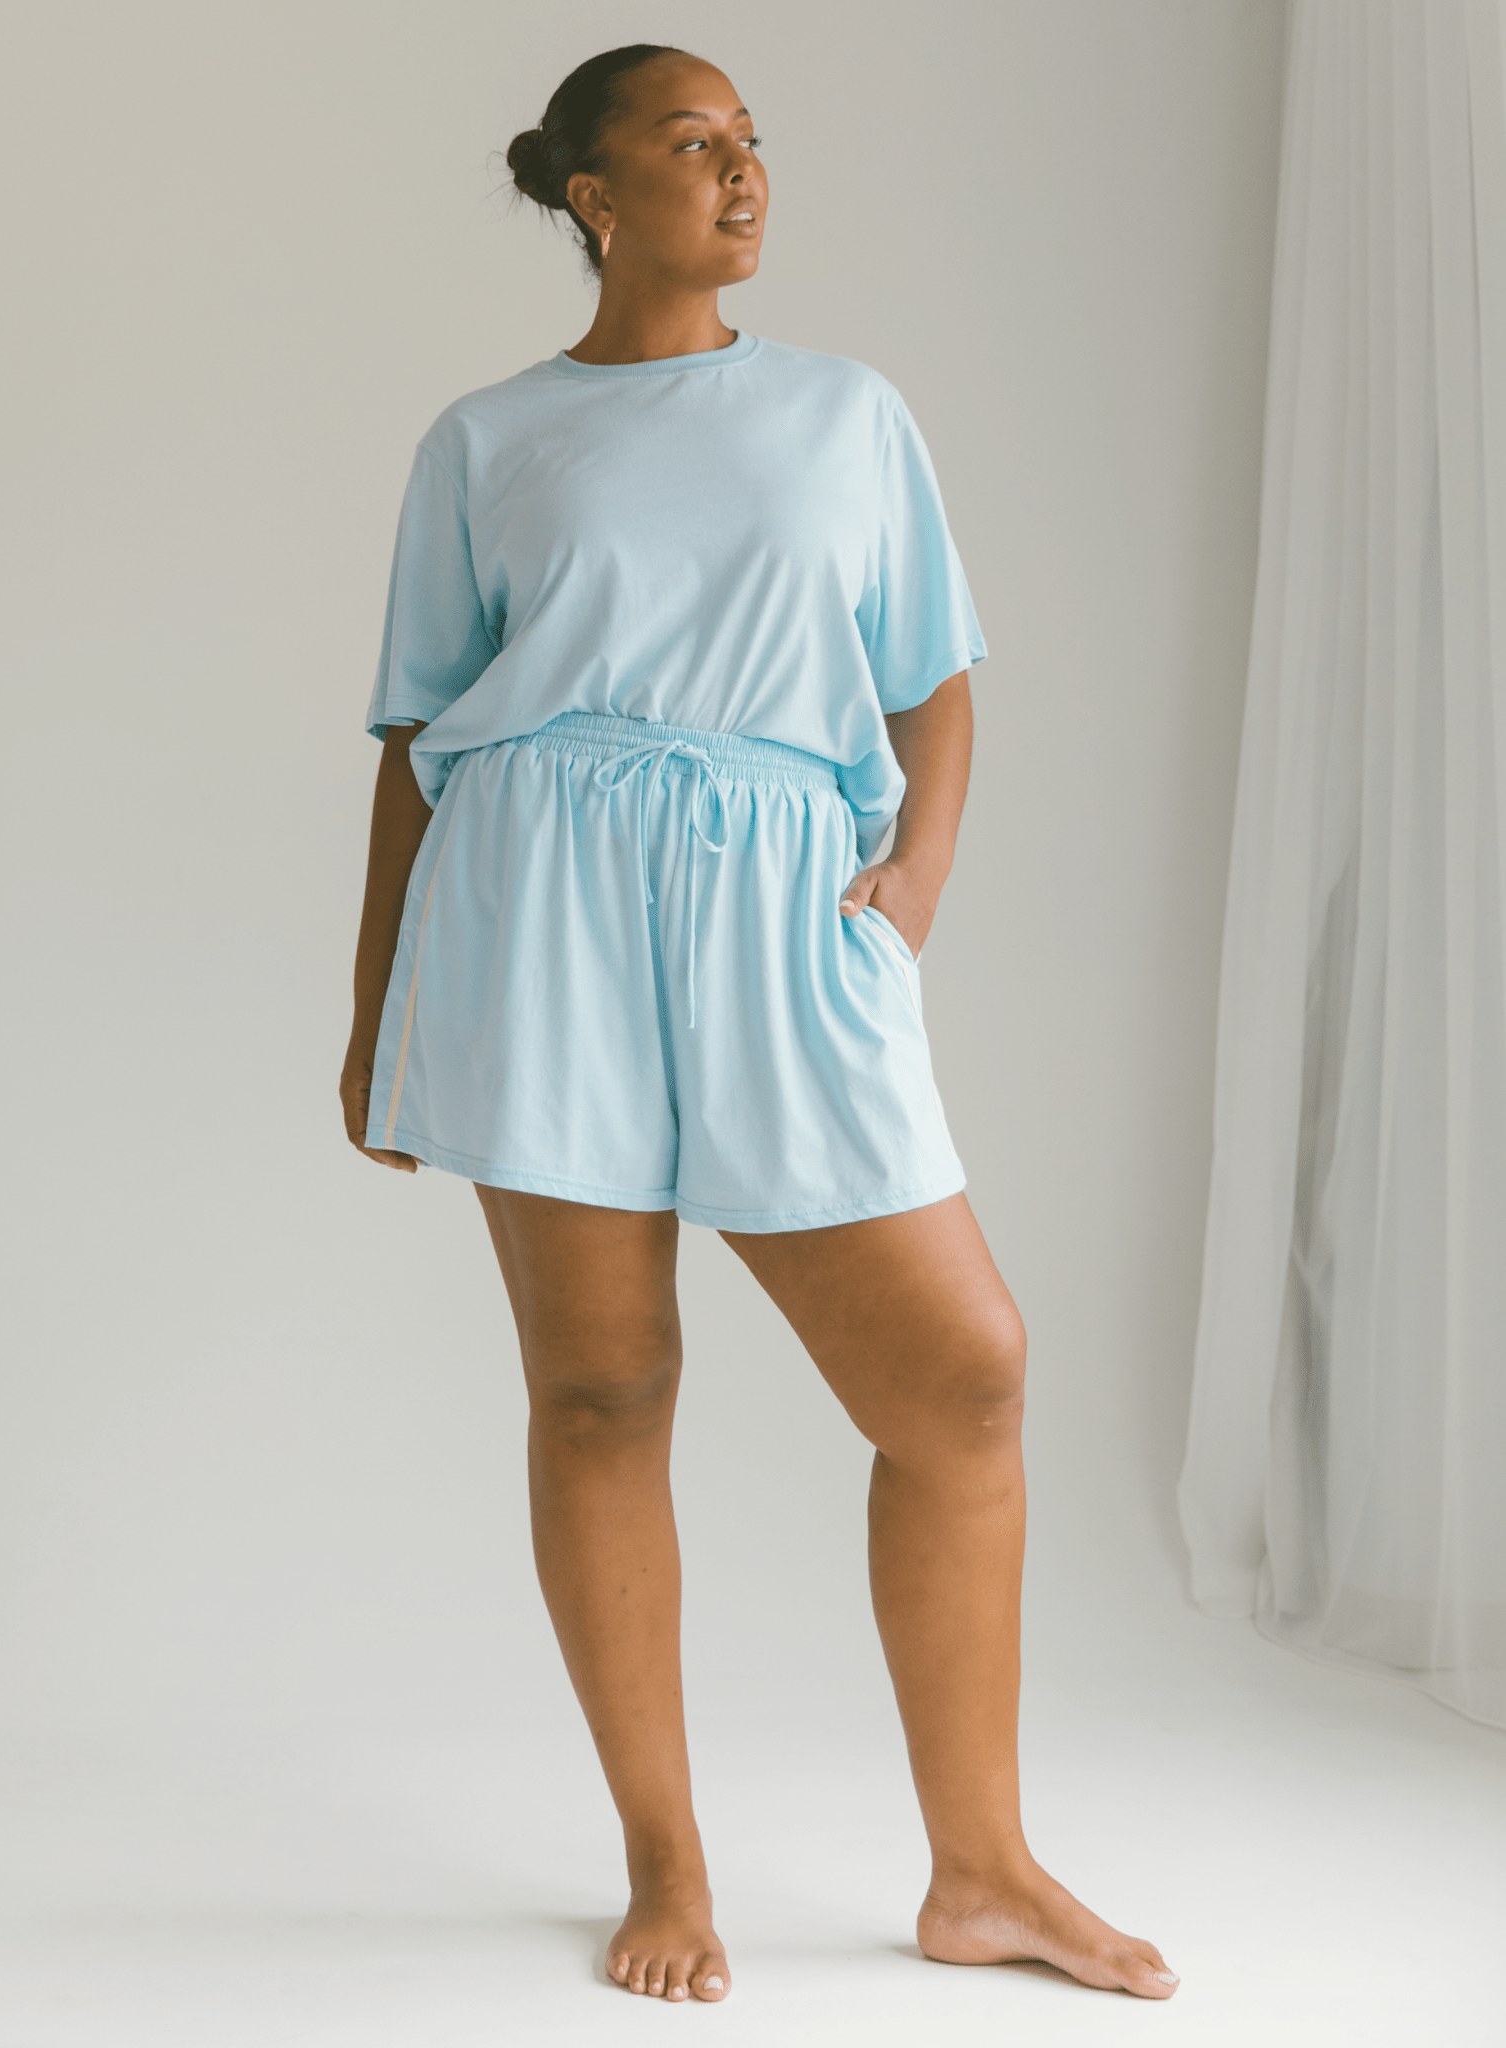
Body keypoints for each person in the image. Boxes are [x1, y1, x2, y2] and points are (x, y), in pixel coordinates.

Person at [339, 42, 1178, 2008]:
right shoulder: (485, 440)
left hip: (779, 909)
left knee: (963, 1376)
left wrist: (913, 891)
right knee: (601, 1389)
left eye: (751, 142)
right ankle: (665, 1856)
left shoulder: (842, 414)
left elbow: (931, 677)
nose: (742, 171)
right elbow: (413, 736)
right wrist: (375, 1009)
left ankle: (983, 1869)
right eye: (692, 142)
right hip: (534, 909)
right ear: (593, 193)